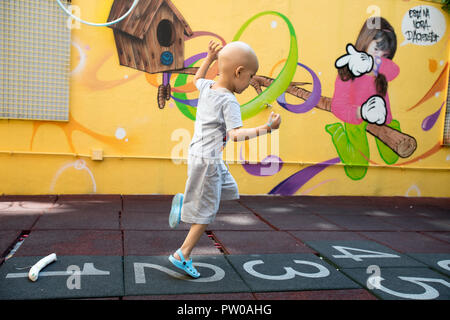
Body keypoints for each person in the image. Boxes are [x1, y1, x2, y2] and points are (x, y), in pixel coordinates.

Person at [168, 41, 281, 278]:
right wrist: (267, 128)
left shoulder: (208, 86)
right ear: (239, 72)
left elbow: (196, 79)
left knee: (229, 189)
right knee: (205, 212)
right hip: (208, 160)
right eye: (250, 77)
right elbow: (235, 135)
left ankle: (186, 205)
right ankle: (183, 254)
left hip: (201, 154)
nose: (250, 83)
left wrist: (209, 58)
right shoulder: (229, 100)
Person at [326, 17, 401, 180]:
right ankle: (337, 133)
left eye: (386, 53)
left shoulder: (382, 71)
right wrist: (361, 112)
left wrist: (375, 64)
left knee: (393, 156)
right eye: (378, 47)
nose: (380, 54)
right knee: (357, 171)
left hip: (382, 119)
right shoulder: (347, 73)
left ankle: (392, 124)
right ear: (366, 41)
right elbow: (338, 106)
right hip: (355, 119)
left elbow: (395, 70)